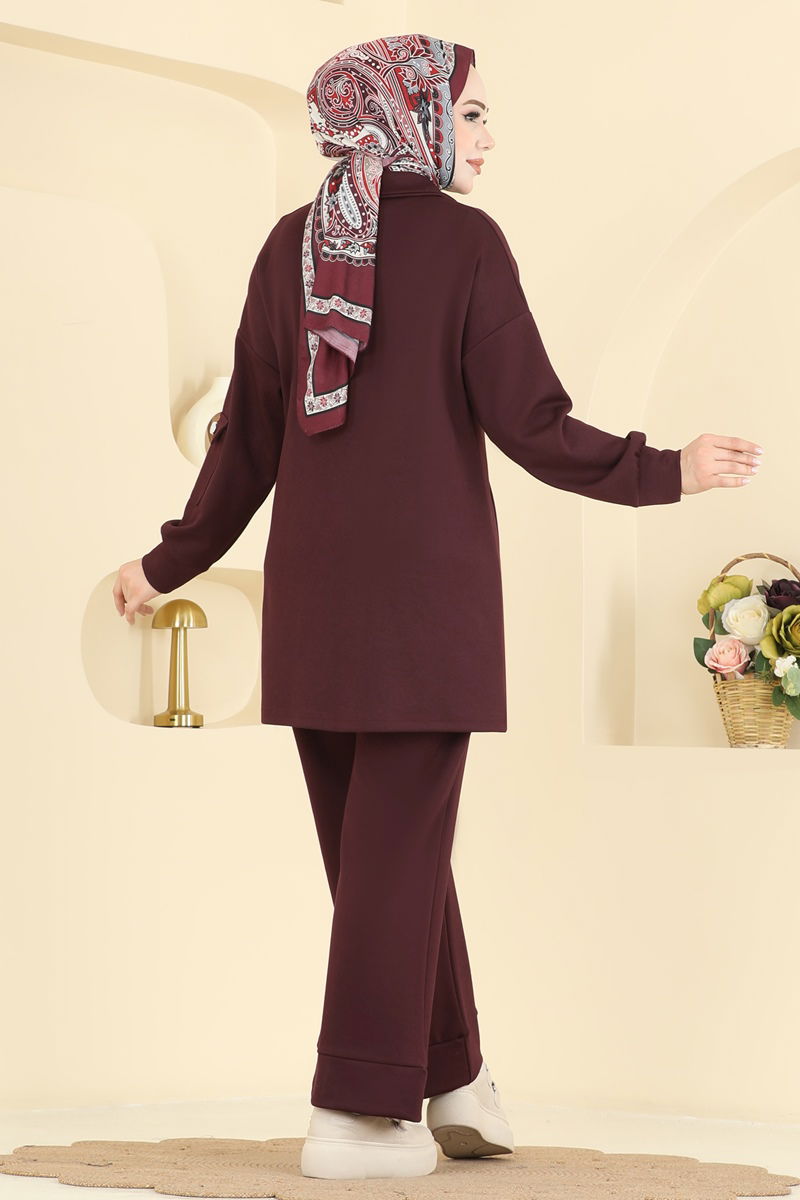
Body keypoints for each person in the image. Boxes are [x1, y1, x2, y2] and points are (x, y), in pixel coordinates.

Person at [112, 33, 763, 1181]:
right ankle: (358, 1117)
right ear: (407, 118)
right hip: (424, 615)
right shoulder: (465, 244)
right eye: (469, 114)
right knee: (390, 861)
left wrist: (169, 563)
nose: (487, 137)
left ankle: (453, 1076)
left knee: (382, 860)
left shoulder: (290, 246)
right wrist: (668, 469)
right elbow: (532, 424)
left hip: (314, 611)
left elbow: (244, 440)